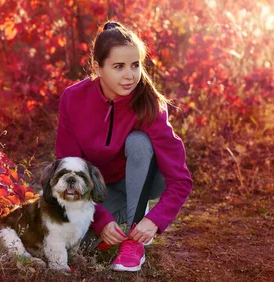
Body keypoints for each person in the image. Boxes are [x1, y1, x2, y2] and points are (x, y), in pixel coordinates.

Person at [54, 21, 193, 272]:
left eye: (135, 65)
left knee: (138, 141)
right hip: (98, 190)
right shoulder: (73, 99)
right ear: (98, 67)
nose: (130, 76)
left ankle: (134, 237)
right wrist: (101, 221)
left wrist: (155, 221)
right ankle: (120, 216)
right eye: (119, 67)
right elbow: (68, 168)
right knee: (74, 246)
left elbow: (180, 179)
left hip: (145, 177)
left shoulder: (148, 103)